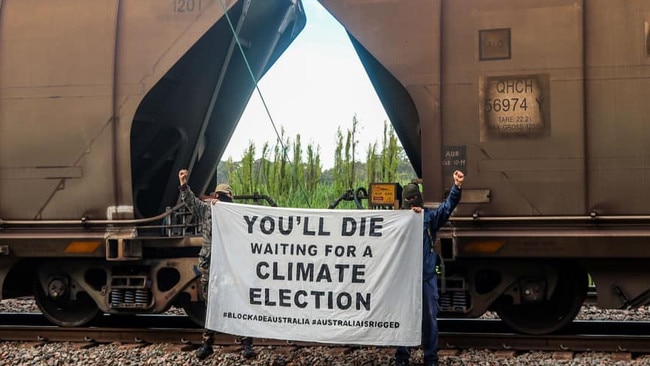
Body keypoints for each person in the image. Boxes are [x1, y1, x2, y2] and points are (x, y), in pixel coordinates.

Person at [178, 169, 256, 361]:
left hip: (231, 267)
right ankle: (207, 344)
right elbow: (190, 202)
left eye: (225, 199)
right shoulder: (207, 211)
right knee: (211, 306)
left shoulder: (237, 216)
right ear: (215, 197)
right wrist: (183, 184)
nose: (221, 201)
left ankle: (247, 344)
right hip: (210, 266)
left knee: (239, 303)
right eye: (219, 197)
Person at [395, 170, 464, 366]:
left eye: (415, 200)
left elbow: (447, 207)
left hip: (426, 278)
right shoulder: (396, 222)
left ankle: (430, 359)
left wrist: (456, 187)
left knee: (430, 319)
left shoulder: (429, 219)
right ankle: (402, 357)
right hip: (405, 280)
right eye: (410, 201)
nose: (413, 203)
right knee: (404, 318)